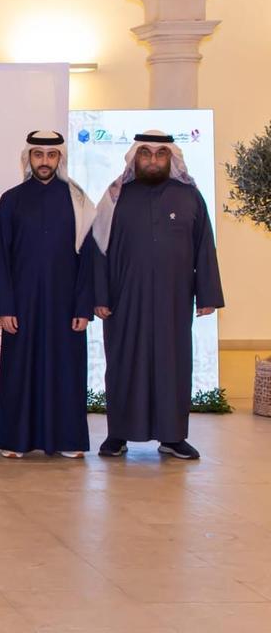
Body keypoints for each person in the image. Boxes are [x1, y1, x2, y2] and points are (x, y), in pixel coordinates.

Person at [92, 131, 224, 460]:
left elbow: (204, 247)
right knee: (123, 363)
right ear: (135, 157)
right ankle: (118, 434)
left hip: (174, 300)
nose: (153, 160)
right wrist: (100, 295)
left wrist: (206, 293)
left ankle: (173, 436)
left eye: (160, 154)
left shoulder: (190, 197)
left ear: (171, 158)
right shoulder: (115, 196)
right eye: (146, 154)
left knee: (173, 365)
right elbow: (98, 249)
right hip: (124, 300)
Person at [0, 131, 96, 458]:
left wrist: (84, 305)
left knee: (65, 371)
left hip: (65, 304)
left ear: (59, 159)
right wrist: (5, 306)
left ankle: (68, 440)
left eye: (51, 156)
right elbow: (1, 258)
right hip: (22, 303)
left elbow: (88, 259)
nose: (45, 162)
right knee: (20, 370)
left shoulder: (79, 200)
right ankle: (16, 441)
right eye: (38, 155)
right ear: (29, 158)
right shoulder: (11, 200)